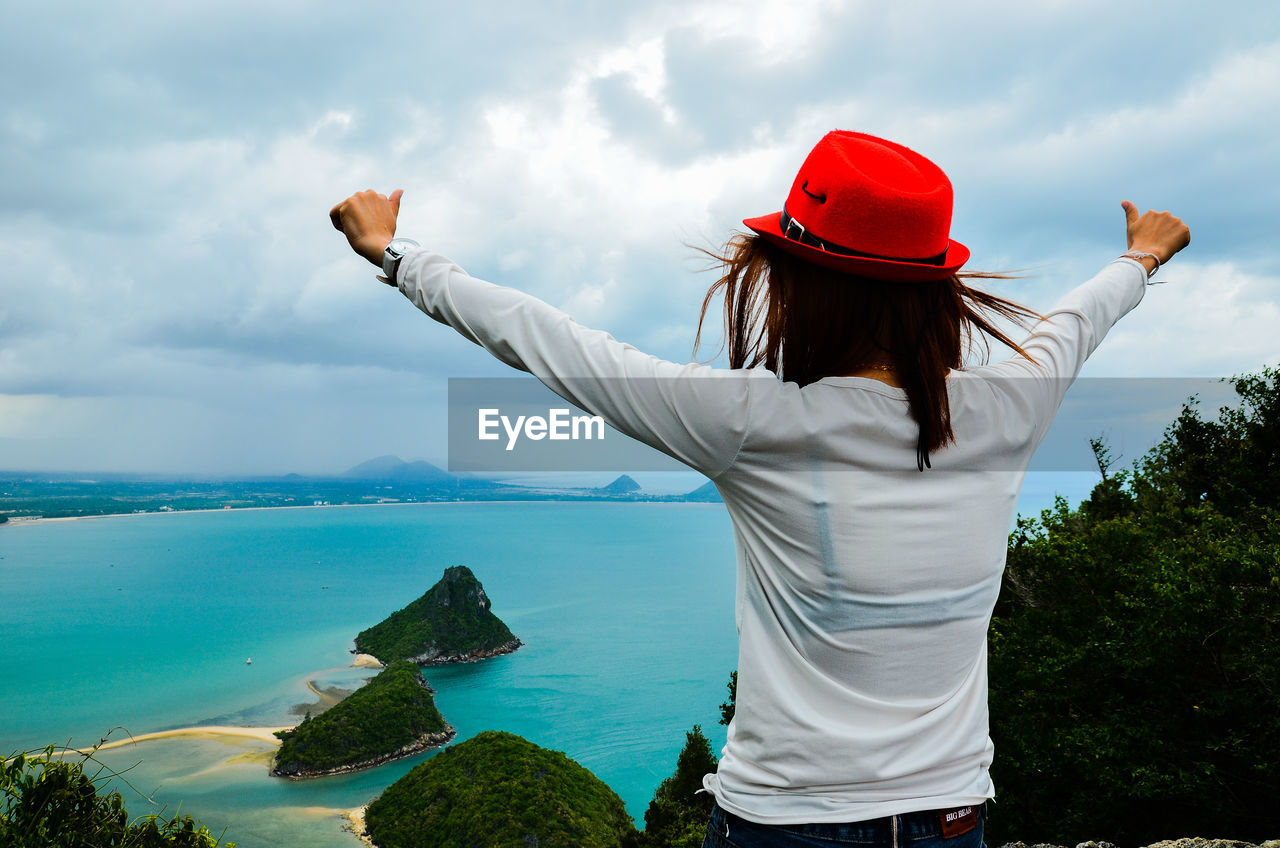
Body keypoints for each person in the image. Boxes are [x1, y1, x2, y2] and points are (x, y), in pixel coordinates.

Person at [329, 130, 1190, 848]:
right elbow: (1079, 320)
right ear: (935, 292)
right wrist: (1142, 258)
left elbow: (551, 343)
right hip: (952, 817)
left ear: (798, 287)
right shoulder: (1010, 405)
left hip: (787, 823)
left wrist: (397, 254)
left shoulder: (753, 421)